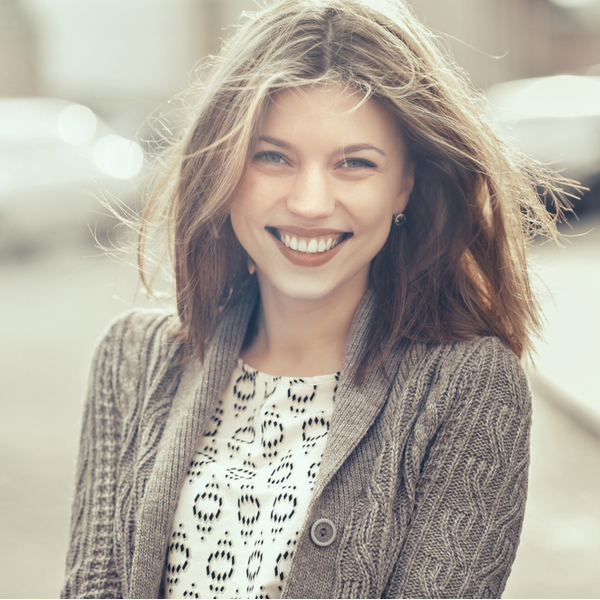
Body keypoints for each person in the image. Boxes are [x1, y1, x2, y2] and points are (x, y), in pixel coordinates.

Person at [61, 0, 570, 598]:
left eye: (354, 164)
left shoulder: (469, 389)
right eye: (273, 157)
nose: (308, 202)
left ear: (403, 184)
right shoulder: (131, 361)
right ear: (224, 167)